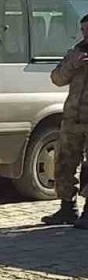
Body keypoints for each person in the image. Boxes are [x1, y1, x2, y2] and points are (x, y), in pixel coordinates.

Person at [43, 14, 88, 228]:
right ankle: (67, 208)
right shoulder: (76, 53)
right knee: (63, 164)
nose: (85, 34)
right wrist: (72, 65)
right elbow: (56, 79)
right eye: (83, 30)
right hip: (72, 120)